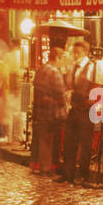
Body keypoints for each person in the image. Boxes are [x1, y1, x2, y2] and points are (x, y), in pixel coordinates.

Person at [60, 36, 97, 184]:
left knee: (85, 144)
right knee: (69, 142)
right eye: (74, 52)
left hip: (85, 110)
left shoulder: (92, 68)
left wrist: (76, 94)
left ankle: (83, 174)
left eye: (78, 53)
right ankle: (67, 174)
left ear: (86, 52)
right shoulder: (73, 67)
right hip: (73, 109)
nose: (75, 55)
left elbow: (93, 89)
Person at [31, 46, 68, 175]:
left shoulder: (40, 69)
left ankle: (42, 166)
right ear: (57, 57)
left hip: (41, 110)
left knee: (43, 140)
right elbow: (60, 93)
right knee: (49, 141)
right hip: (52, 112)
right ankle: (46, 168)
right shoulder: (54, 72)